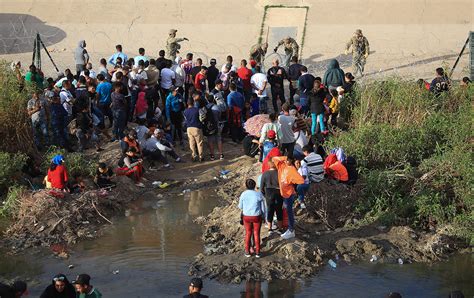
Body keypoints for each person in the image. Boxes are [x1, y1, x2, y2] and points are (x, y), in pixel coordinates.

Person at [273, 156, 304, 239]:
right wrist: (286, 157)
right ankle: (290, 228)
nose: (287, 161)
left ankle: (291, 230)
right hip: (284, 193)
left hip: (289, 194)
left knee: (289, 212)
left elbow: (301, 180)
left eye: (289, 160)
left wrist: (291, 181)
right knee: (287, 211)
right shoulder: (281, 166)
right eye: (286, 160)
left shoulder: (291, 169)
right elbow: (274, 159)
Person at [238, 178, 266, 258]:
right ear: (254, 186)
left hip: (246, 217)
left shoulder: (243, 194)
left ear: (246, 186)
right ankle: (258, 252)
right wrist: (263, 216)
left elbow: (240, 206)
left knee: (248, 233)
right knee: (256, 233)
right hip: (257, 216)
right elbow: (263, 208)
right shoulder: (258, 194)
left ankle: (247, 252)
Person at [260, 160, 283, 234]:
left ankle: (270, 229)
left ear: (269, 165)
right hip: (278, 192)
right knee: (279, 210)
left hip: (269, 193)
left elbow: (261, 187)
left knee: (270, 210)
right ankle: (280, 228)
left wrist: (265, 195)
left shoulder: (265, 174)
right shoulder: (279, 172)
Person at [205, 94, 224, 160]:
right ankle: (221, 154)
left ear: (207, 100)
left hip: (209, 127)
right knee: (219, 140)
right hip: (217, 125)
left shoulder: (206, 107)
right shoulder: (216, 107)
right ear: (213, 99)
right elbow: (219, 116)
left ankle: (212, 155)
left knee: (210, 141)